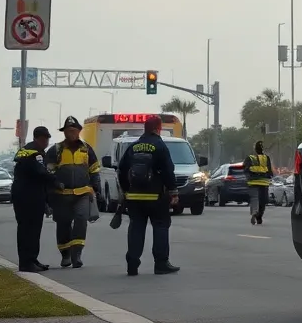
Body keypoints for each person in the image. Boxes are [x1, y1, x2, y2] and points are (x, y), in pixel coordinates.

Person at [117, 115, 180, 276]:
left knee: (136, 228)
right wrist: (173, 191)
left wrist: (126, 191)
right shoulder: (160, 146)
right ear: (157, 129)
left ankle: (132, 264)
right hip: (156, 197)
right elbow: (168, 170)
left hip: (134, 198)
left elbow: (122, 170)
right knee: (160, 226)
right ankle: (161, 264)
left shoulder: (133, 146)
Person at [45, 116, 104, 269]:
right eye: (68, 131)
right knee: (63, 224)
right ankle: (65, 254)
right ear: (64, 132)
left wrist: (95, 187)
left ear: (79, 131)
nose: (71, 133)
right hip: (61, 195)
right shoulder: (55, 150)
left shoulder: (87, 149)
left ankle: (76, 254)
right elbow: (48, 173)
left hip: (82, 194)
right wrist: (52, 189)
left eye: (74, 130)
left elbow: (95, 170)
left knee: (81, 219)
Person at [12, 126, 61, 273]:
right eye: (45, 139)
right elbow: (41, 173)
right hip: (28, 197)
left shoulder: (30, 151)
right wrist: (57, 182)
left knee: (34, 230)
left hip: (31, 196)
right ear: (40, 138)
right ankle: (26, 262)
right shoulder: (33, 153)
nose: (47, 142)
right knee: (28, 230)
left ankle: (32, 259)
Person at [244, 141, 274, 226]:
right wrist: (269, 176)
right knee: (262, 201)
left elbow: (246, 169)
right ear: (262, 149)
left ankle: (254, 212)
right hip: (264, 182)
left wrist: (248, 176)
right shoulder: (266, 158)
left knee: (254, 199)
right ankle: (259, 216)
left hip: (252, 182)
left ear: (255, 149)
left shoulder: (249, 158)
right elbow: (269, 170)